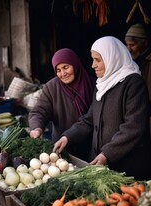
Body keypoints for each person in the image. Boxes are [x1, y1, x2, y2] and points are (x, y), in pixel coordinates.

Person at [53, 36, 151, 181]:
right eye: (93, 59)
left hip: (127, 168)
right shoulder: (103, 84)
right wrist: (67, 136)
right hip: (102, 165)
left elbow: (133, 127)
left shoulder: (133, 84)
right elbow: (88, 120)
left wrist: (107, 154)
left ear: (112, 57)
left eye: (98, 60)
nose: (93, 65)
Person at [28, 48, 96, 160]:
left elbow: (92, 118)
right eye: (58, 70)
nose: (63, 74)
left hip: (90, 147)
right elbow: (39, 111)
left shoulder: (93, 85)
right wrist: (37, 128)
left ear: (75, 64)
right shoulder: (52, 87)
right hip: (61, 147)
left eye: (66, 67)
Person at [125, 24, 151, 114]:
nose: (129, 49)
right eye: (127, 45)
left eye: (132, 45)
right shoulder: (131, 61)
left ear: (145, 44)